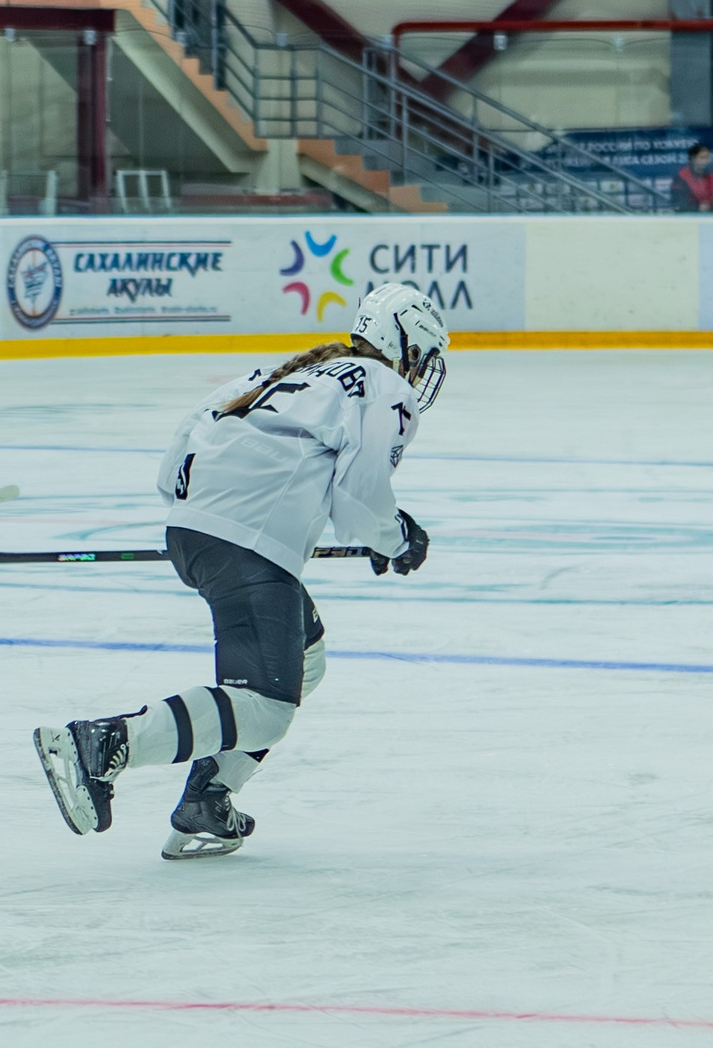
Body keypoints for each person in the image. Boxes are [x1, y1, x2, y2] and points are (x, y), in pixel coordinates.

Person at [33, 285, 448, 860]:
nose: (420, 372)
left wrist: (211, 515)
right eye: (423, 357)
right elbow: (360, 495)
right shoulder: (386, 386)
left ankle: (208, 797)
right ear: (405, 346)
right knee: (266, 710)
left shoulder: (286, 371)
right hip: (249, 544)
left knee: (306, 657)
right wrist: (398, 537)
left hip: (195, 530)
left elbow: (179, 455)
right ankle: (103, 743)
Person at [668, 142, 713, 213]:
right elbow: (677, 203)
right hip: (691, 220)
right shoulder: (681, 177)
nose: (705, 161)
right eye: (702, 158)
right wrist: (697, 208)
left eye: (707, 157)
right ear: (693, 158)